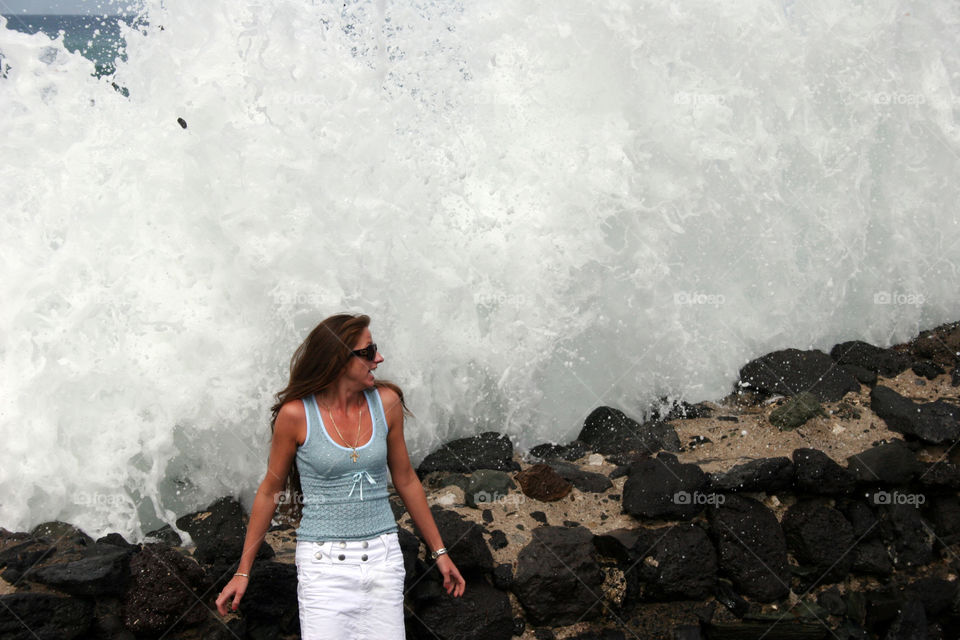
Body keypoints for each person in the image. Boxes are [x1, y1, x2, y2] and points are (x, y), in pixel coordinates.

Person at [215, 313, 465, 638]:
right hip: (323, 566)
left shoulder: (386, 403)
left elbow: (405, 480)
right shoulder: (296, 415)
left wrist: (440, 552)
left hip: (383, 560)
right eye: (368, 351)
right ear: (338, 359)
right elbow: (269, 491)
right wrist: (243, 572)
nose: (379, 358)